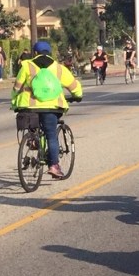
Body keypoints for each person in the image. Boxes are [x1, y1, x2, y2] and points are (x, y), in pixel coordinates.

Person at [12, 41, 83, 178]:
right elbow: (74, 86)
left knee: (33, 126)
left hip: (30, 107)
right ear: (50, 53)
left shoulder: (27, 66)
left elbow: (16, 87)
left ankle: (34, 140)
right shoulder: (59, 68)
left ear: (35, 53)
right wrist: (77, 96)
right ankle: (54, 166)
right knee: (51, 135)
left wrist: (14, 101)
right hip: (52, 107)